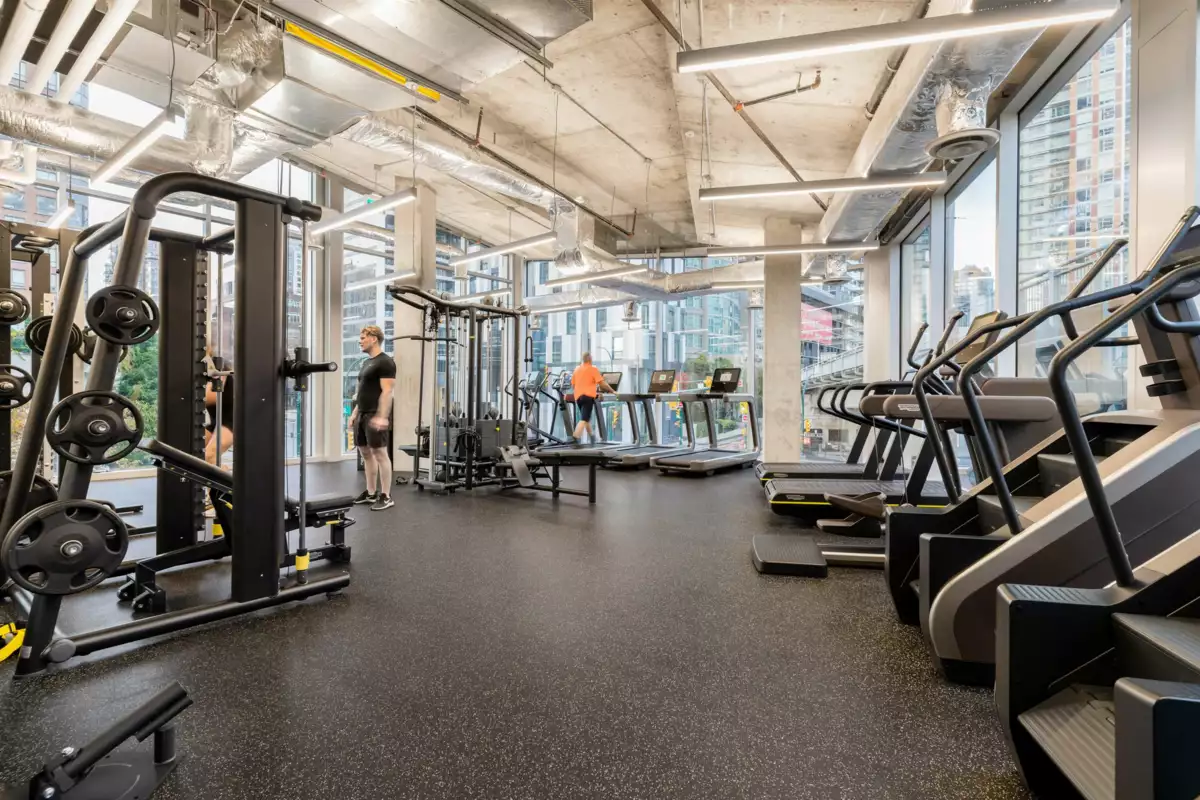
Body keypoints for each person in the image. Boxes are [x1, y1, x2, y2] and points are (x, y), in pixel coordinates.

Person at [350, 325, 397, 510]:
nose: (360, 341)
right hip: (362, 414)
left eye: (363, 337)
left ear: (374, 338)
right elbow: (360, 391)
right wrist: (355, 413)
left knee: (380, 454)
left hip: (374, 415)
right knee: (365, 453)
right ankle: (371, 493)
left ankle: (386, 495)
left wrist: (382, 416)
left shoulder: (385, 362)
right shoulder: (366, 363)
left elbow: (388, 392)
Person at [570, 352, 614, 444]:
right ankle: (575, 436)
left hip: (578, 398)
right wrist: (613, 391)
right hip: (587, 397)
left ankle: (592, 437)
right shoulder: (593, 369)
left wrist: (594, 392)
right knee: (584, 419)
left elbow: (573, 385)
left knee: (585, 417)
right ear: (590, 359)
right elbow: (602, 384)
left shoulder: (577, 369)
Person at [203, 349, 234, 467]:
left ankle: (228, 483)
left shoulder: (218, 365)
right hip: (216, 422)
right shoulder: (199, 367)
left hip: (231, 422)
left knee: (209, 456)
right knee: (190, 453)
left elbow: (212, 396)